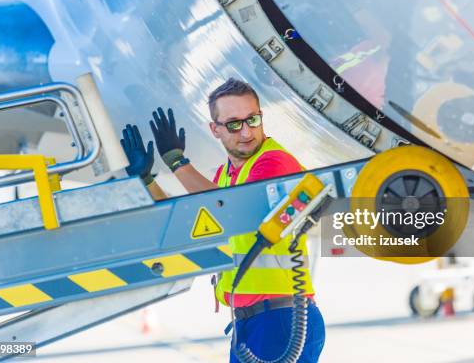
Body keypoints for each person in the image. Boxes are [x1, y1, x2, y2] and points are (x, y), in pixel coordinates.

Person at [120, 78, 325, 362]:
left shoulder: (274, 162)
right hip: (252, 323)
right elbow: (188, 219)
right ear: (215, 130)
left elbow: (232, 209)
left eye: (252, 119)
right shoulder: (225, 176)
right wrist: (146, 179)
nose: (246, 131)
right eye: (233, 124)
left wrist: (178, 162)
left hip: (281, 320)